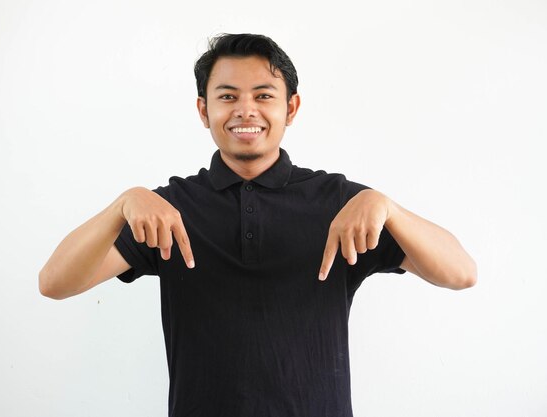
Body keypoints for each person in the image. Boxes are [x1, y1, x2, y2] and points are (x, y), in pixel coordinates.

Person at [39, 33, 477, 417]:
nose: (245, 110)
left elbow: (461, 273)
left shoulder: (341, 204)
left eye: (263, 96)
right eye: (227, 96)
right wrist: (122, 203)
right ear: (203, 109)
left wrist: (389, 207)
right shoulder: (168, 209)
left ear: (291, 107)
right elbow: (54, 283)